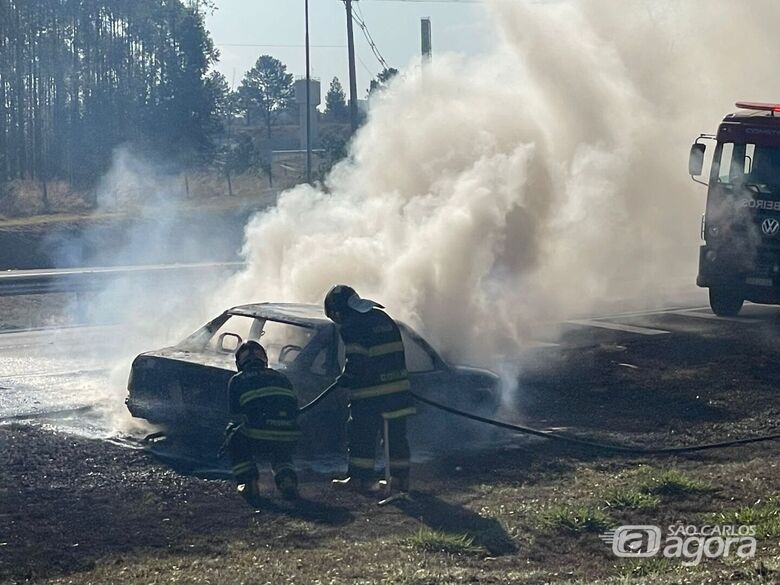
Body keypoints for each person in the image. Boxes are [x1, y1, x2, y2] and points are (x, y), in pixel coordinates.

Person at [324, 285, 416, 494]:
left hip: (370, 394)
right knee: (396, 438)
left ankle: (359, 479)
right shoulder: (382, 317)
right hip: (399, 391)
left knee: (361, 436)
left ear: (338, 310)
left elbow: (356, 359)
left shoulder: (351, 325)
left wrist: (346, 378)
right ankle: (399, 481)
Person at [226, 340, 301, 504]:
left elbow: (236, 416)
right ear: (264, 360)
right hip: (290, 434)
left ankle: (248, 483)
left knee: (233, 435)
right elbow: (294, 407)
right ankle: (287, 480)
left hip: (259, 434)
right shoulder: (281, 377)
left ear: (240, 363)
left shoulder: (237, 379)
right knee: (281, 449)